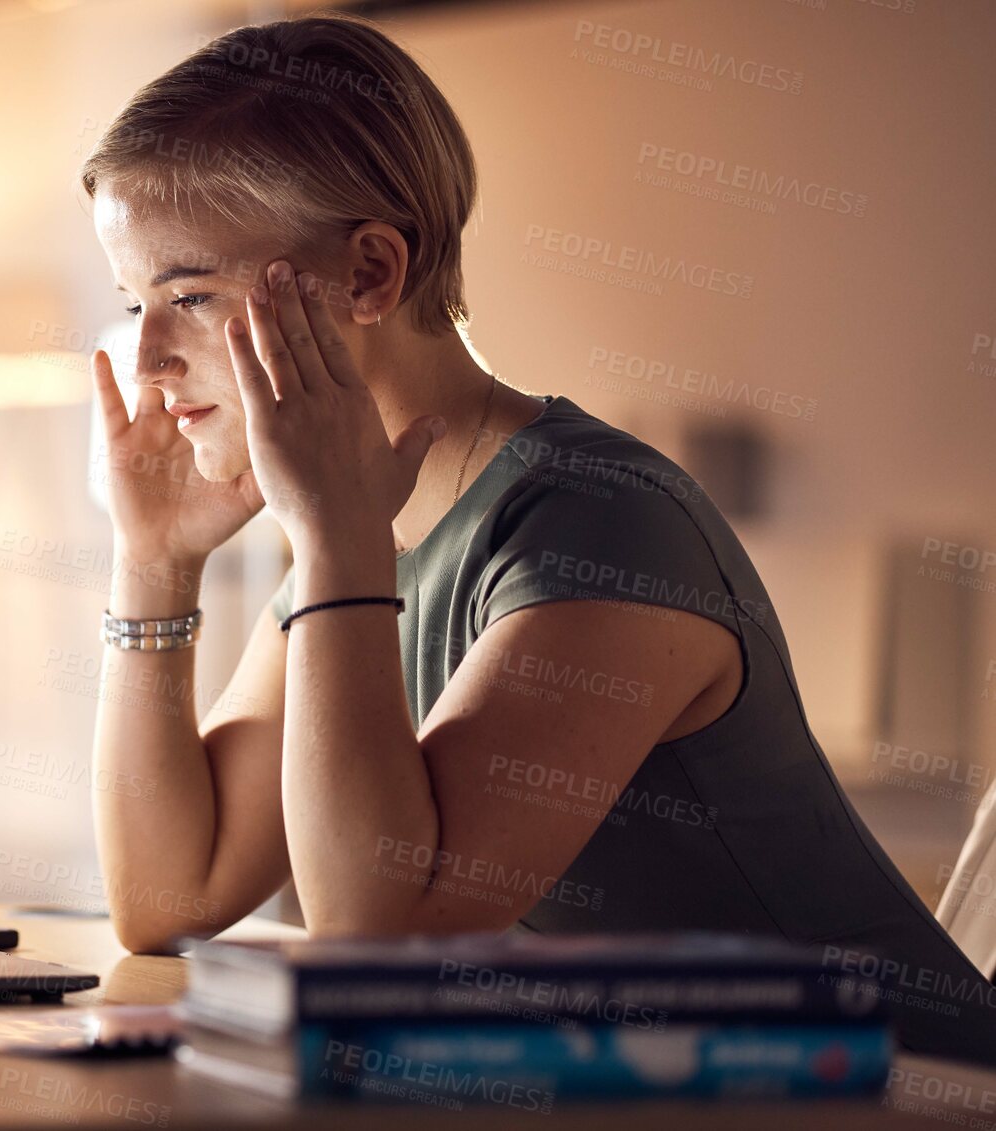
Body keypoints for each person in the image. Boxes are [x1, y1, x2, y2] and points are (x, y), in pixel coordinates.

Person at [80, 12, 996, 1063]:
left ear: (372, 275)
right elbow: (167, 897)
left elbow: (378, 944)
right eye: (134, 302)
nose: (146, 357)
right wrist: (154, 565)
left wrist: (335, 540)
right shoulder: (366, 534)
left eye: (188, 294)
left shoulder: (601, 519)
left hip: (915, 1097)